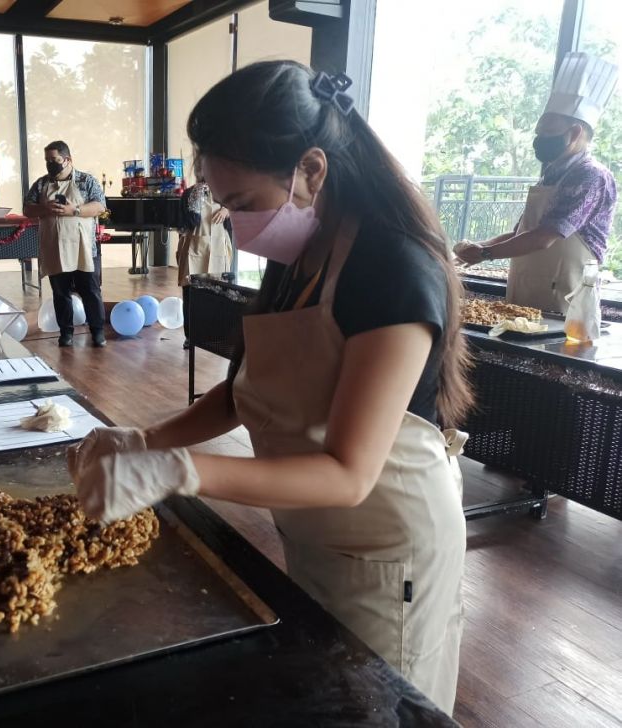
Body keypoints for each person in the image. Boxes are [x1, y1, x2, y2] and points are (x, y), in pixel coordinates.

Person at [69, 62, 474, 714]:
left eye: (244, 203)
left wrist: (177, 471)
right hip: (313, 533)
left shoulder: (391, 268)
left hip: (386, 549)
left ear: (310, 171)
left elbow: (348, 473)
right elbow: (242, 393)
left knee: (379, 708)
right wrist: (143, 440)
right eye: (223, 205)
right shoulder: (302, 257)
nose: (233, 223)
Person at [454, 52, 618, 313]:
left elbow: (544, 237)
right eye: (538, 133)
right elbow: (521, 235)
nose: (539, 140)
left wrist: (485, 254)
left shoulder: (590, 175)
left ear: (575, 133)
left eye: (548, 133)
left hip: (568, 303)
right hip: (528, 295)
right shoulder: (552, 174)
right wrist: (480, 246)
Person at [23, 141, 107, 347]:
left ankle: (97, 331)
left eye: (55, 160)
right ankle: (66, 333)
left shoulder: (87, 181)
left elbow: (99, 206)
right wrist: (44, 208)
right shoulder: (41, 184)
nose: (50, 164)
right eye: (47, 161)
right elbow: (27, 209)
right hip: (54, 249)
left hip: (84, 249)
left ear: (68, 159)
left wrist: (75, 210)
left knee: (90, 291)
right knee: (60, 293)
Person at [176, 161, 233, 347]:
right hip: (194, 247)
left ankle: (216, 333)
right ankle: (190, 336)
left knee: (218, 290)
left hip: (218, 247)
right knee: (191, 292)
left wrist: (227, 209)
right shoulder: (190, 192)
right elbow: (186, 222)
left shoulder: (226, 193)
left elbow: (241, 207)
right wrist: (197, 194)